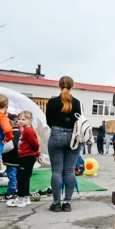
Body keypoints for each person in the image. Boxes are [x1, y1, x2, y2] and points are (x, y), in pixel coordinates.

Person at [46, 76, 82, 213]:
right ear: (73, 86)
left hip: (56, 135)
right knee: (69, 170)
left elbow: (49, 121)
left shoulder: (52, 102)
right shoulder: (77, 103)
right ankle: (67, 203)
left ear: (59, 86)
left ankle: (56, 204)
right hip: (73, 137)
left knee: (56, 170)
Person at [7, 111, 41, 208]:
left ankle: (20, 198)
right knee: (25, 177)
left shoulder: (29, 131)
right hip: (27, 156)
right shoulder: (26, 130)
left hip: (27, 156)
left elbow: (35, 144)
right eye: (19, 119)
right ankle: (25, 197)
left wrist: (36, 152)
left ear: (30, 120)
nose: (20, 121)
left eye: (23, 119)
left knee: (21, 177)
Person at [0, 113, 21, 201]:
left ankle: (11, 193)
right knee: (18, 176)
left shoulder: (8, 133)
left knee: (12, 177)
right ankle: (19, 192)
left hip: (10, 159)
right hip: (20, 158)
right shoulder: (21, 133)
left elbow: (8, 146)